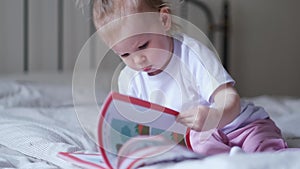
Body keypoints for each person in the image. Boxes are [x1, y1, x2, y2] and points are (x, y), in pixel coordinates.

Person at [89, 0, 288, 155]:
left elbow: (229, 98)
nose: (138, 60)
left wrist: (214, 116)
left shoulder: (191, 53)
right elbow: (140, 126)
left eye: (143, 46)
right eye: (124, 54)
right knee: (199, 144)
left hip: (241, 125)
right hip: (199, 139)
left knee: (263, 149)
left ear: (163, 20)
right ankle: (229, 161)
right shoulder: (129, 79)